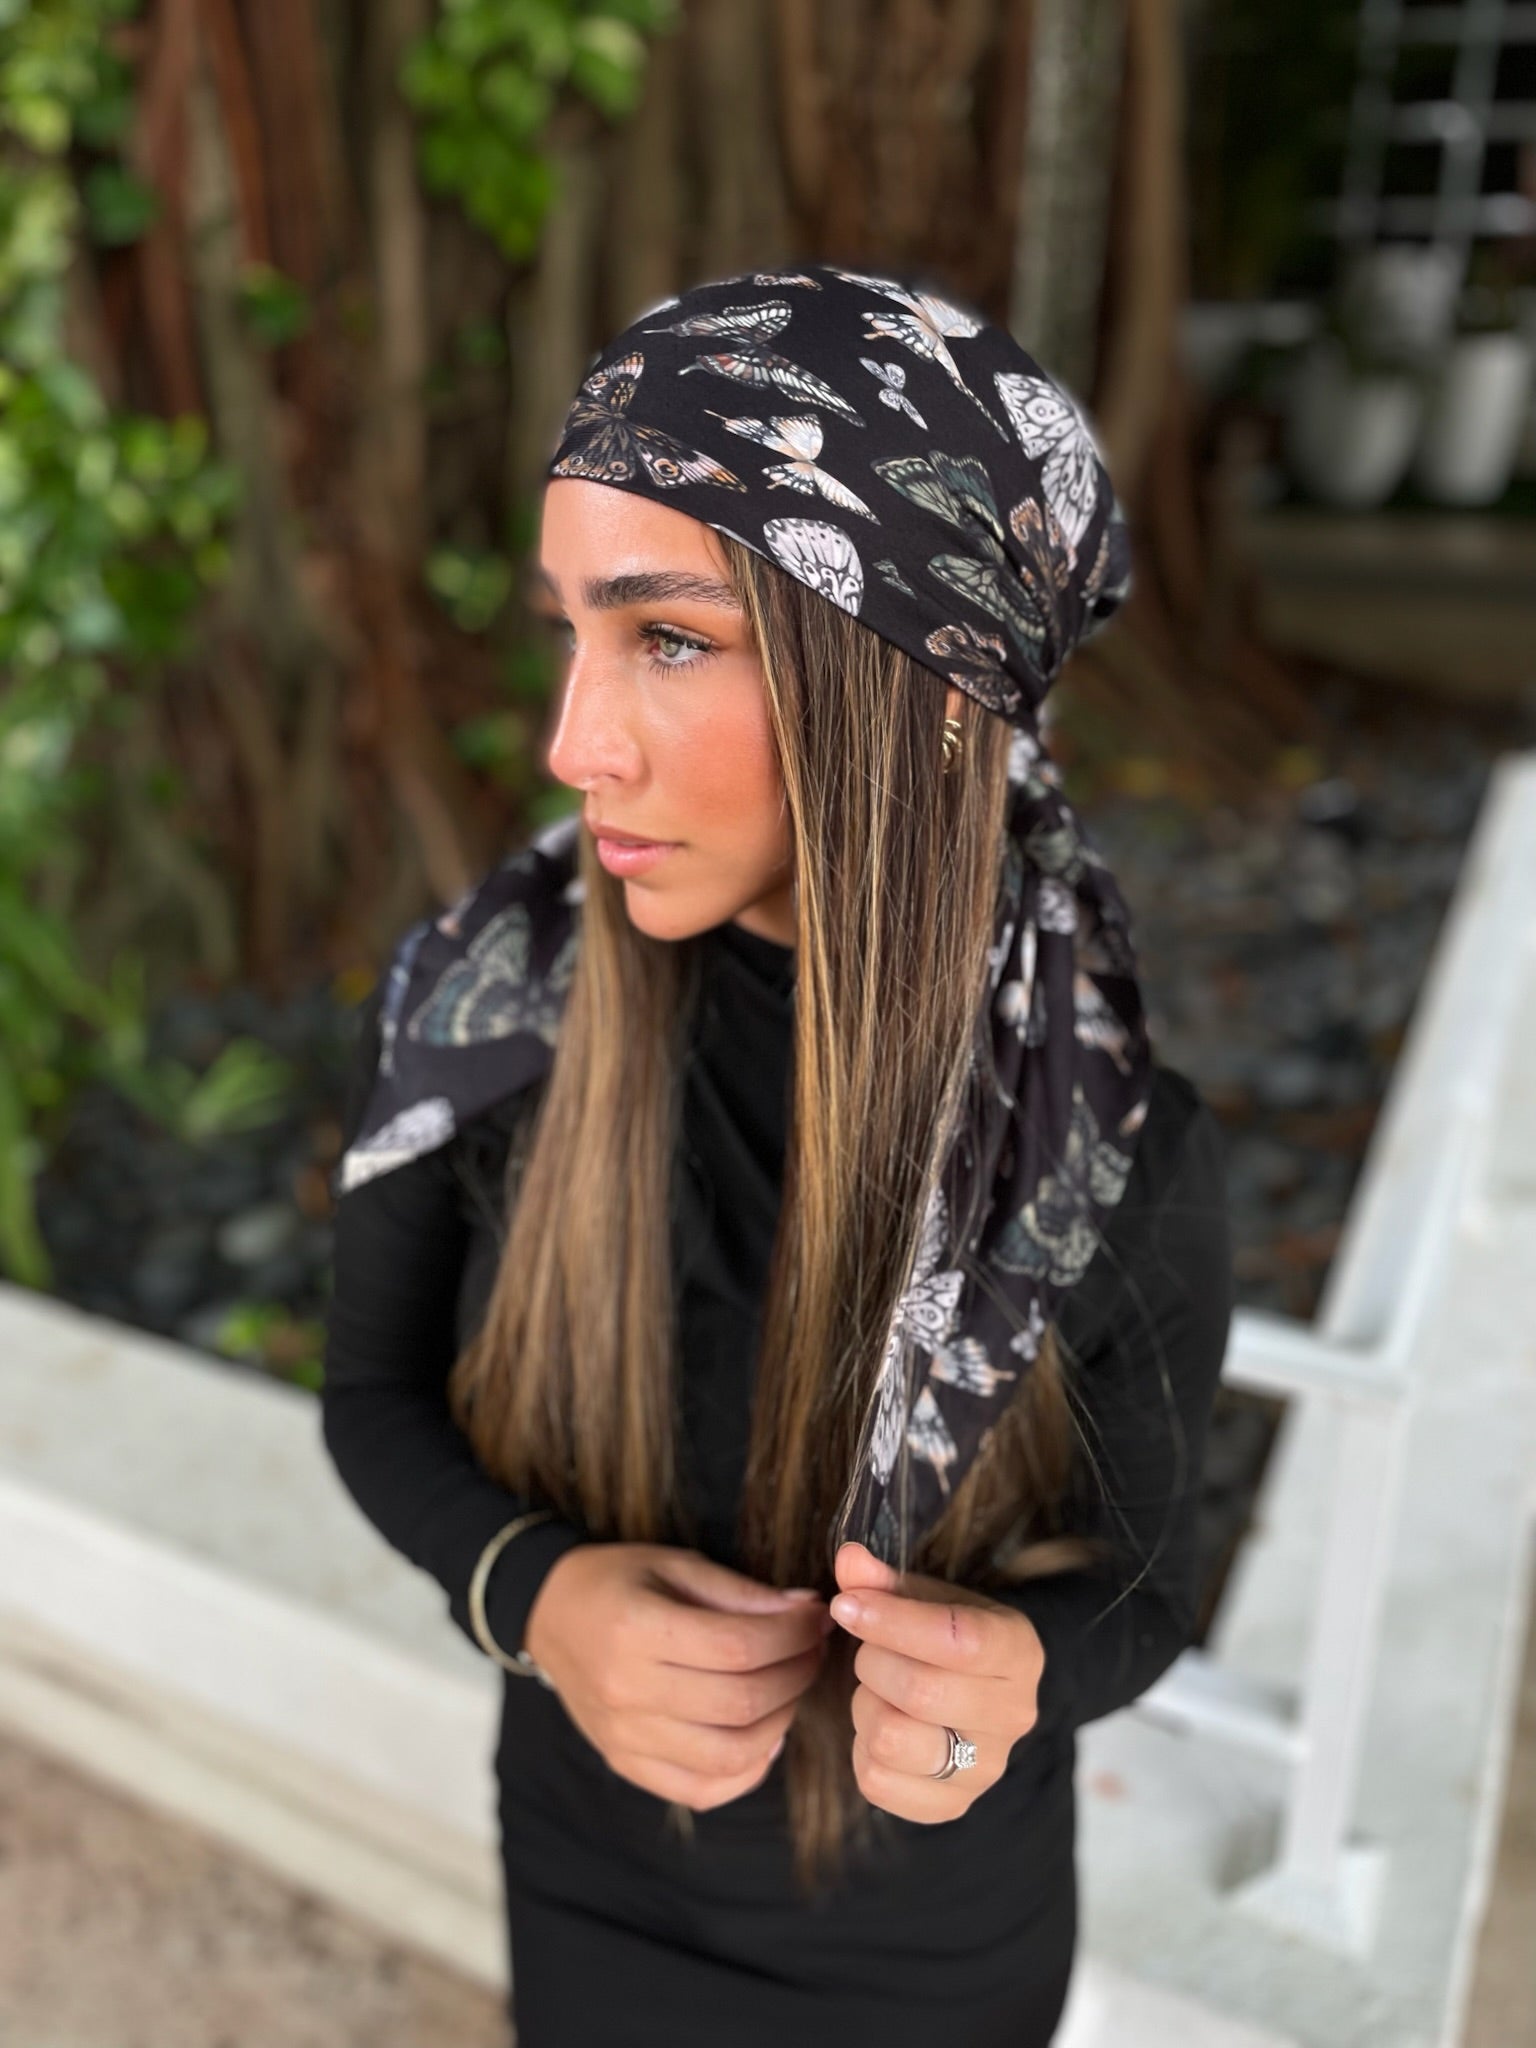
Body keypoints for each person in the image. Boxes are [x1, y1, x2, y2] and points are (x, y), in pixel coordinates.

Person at [320, 261, 1235, 2048]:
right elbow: (372, 1396)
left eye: (666, 637)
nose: (574, 744)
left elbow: (1143, 1583)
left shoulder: (1104, 1145)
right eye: (571, 632)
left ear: (933, 684)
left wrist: (1005, 1687)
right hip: (586, 1884)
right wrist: (536, 1597)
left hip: (929, 1957)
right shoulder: (480, 1023)